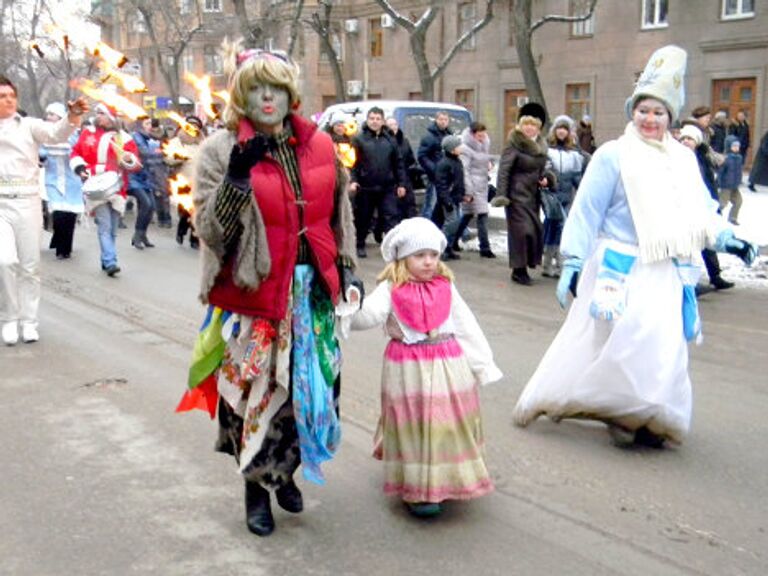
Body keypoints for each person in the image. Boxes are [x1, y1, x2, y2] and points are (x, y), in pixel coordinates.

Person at [512, 45, 757, 449]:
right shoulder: (613, 155)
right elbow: (587, 210)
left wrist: (729, 237)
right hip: (619, 264)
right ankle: (622, 409)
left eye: (658, 112)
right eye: (643, 110)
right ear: (632, 112)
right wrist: (573, 260)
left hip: (664, 267)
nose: (650, 118)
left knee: (662, 345)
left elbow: (699, 209)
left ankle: (650, 416)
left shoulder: (681, 159)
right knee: (619, 340)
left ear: (669, 117)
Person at [175, 45, 361, 537]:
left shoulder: (319, 145)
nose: (267, 98)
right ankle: (256, 489)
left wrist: (347, 266)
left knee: (314, 394)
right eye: (256, 88)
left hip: (311, 294)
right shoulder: (219, 150)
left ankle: (286, 474)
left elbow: (337, 210)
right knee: (256, 397)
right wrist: (237, 176)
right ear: (240, 95)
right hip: (256, 298)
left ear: (290, 93)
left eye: (276, 87)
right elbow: (211, 232)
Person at [350, 217, 501, 517]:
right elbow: (368, 316)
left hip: (448, 365)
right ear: (402, 258)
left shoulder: (446, 286)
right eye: (420, 256)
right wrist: (349, 303)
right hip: (407, 371)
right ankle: (418, 490)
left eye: (433, 255)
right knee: (416, 426)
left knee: (446, 424)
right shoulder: (390, 288)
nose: (429, 262)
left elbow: (465, 324)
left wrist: (482, 365)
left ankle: (448, 478)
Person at [0, 76, 88, 345]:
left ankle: (29, 321)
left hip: (27, 200)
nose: (9, 100)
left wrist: (72, 116)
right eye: (2, 96)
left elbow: (55, 134)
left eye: (11, 95)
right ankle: (9, 318)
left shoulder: (29, 126)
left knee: (29, 265)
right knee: (5, 262)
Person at [71, 103, 141, 277]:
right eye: (97, 113)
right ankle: (111, 261)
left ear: (111, 117)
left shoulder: (124, 138)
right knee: (104, 224)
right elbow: (76, 153)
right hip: (96, 183)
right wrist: (80, 169)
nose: (98, 116)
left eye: (102, 113)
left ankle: (106, 258)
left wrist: (128, 159)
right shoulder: (89, 133)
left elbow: (135, 164)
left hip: (117, 186)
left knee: (112, 229)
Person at [491, 102, 553, 286]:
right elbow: (504, 171)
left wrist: (547, 179)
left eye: (533, 125)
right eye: (526, 124)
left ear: (538, 128)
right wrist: (502, 195)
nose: (529, 128)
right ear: (520, 126)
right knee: (521, 232)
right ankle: (519, 270)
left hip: (533, 196)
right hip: (515, 196)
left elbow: (545, 169)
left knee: (534, 231)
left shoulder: (541, 146)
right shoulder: (514, 144)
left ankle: (525, 266)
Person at [677, 123, 734, 291]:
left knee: (706, 242)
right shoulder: (677, 157)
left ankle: (714, 276)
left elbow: (708, 181)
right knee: (689, 246)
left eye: (690, 139)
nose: (686, 142)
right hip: (685, 207)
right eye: (684, 138)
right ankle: (688, 282)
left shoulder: (702, 157)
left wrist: (712, 203)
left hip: (703, 203)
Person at [349, 106, 407, 258]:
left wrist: (401, 184)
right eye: (372, 119)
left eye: (378, 119)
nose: (374, 122)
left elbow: (398, 163)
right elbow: (352, 163)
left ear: (383, 121)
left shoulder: (390, 140)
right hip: (366, 186)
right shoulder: (359, 139)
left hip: (387, 186)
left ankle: (392, 247)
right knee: (363, 217)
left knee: (390, 216)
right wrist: (353, 181)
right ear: (367, 120)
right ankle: (360, 244)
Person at [40, 102, 84, 260]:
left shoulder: (73, 134)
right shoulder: (43, 133)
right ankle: (59, 246)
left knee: (70, 214)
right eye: (48, 114)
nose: (49, 117)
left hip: (72, 179)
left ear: (60, 117)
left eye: (52, 114)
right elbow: (41, 152)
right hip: (53, 178)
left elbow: (79, 152)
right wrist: (41, 157)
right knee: (58, 212)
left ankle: (67, 248)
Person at [543, 115, 584, 277]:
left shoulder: (574, 153)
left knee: (563, 230)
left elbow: (576, 176)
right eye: (559, 128)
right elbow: (545, 171)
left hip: (567, 197)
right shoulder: (548, 150)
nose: (561, 132)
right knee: (551, 229)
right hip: (551, 196)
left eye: (565, 129)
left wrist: (582, 190)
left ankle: (560, 265)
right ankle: (547, 264)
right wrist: (549, 181)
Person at [452, 121, 495, 258]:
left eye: (484, 135)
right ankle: (485, 247)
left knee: (468, 215)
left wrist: (489, 163)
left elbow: (484, 159)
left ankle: (452, 240)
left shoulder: (484, 145)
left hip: (482, 183)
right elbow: (465, 170)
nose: (482, 138)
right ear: (472, 134)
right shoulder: (465, 148)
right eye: (479, 135)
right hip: (472, 185)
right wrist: (468, 191)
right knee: (482, 214)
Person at [166, 115, 205, 249]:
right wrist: (180, 157)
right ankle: (182, 229)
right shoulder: (177, 141)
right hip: (182, 181)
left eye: (196, 126)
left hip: (200, 181)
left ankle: (195, 238)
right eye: (190, 125)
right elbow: (169, 159)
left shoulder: (202, 142)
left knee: (198, 210)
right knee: (186, 210)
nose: (193, 128)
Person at [433, 134, 466, 260]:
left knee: (455, 224)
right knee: (450, 224)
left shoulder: (456, 161)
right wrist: (447, 201)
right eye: (458, 146)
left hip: (455, 198)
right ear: (452, 149)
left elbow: (459, 181)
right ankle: (441, 249)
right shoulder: (444, 164)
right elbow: (441, 185)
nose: (461, 147)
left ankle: (449, 248)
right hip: (448, 200)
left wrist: (463, 195)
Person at [128, 118, 158, 249]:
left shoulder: (148, 139)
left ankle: (143, 235)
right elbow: (145, 153)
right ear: (140, 126)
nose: (150, 126)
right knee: (146, 204)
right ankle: (137, 236)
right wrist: (161, 151)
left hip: (145, 178)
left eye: (150, 123)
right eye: (147, 124)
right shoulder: (136, 137)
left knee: (151, 207)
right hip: (133, 177)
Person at [417, 110, 453, 219]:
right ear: (436, 120)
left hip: (448, 177)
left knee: (448, 204)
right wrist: (435, 170)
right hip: (434, 177)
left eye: (445, 120)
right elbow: (422, 156)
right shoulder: (429, 137)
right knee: (431, 204)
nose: (443, 122)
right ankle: (425, 226)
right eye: (441, 119)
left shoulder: (449, 135)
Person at [385, 116, 420, 222]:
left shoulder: (404, 141)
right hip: (391, 179)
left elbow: (411, 159)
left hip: (406, 178)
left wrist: (413, 169)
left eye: (395, 124)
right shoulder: (385, 142)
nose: (393, 127)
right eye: (390, 125)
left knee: (410, 207)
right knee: (395, 210)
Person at [718, 135, 744, 225]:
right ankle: (715, 214)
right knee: (722, 203)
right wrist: (719, 183)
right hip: (726, 186)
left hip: (734, 186)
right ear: (729, 146)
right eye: (734, 146)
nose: (736, 148)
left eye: (738, 146)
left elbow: (739, 171)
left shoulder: (739, 158)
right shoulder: (726, 158)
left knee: (738, 201)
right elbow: (720, 172)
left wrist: (739, 181)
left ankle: (733, 217)